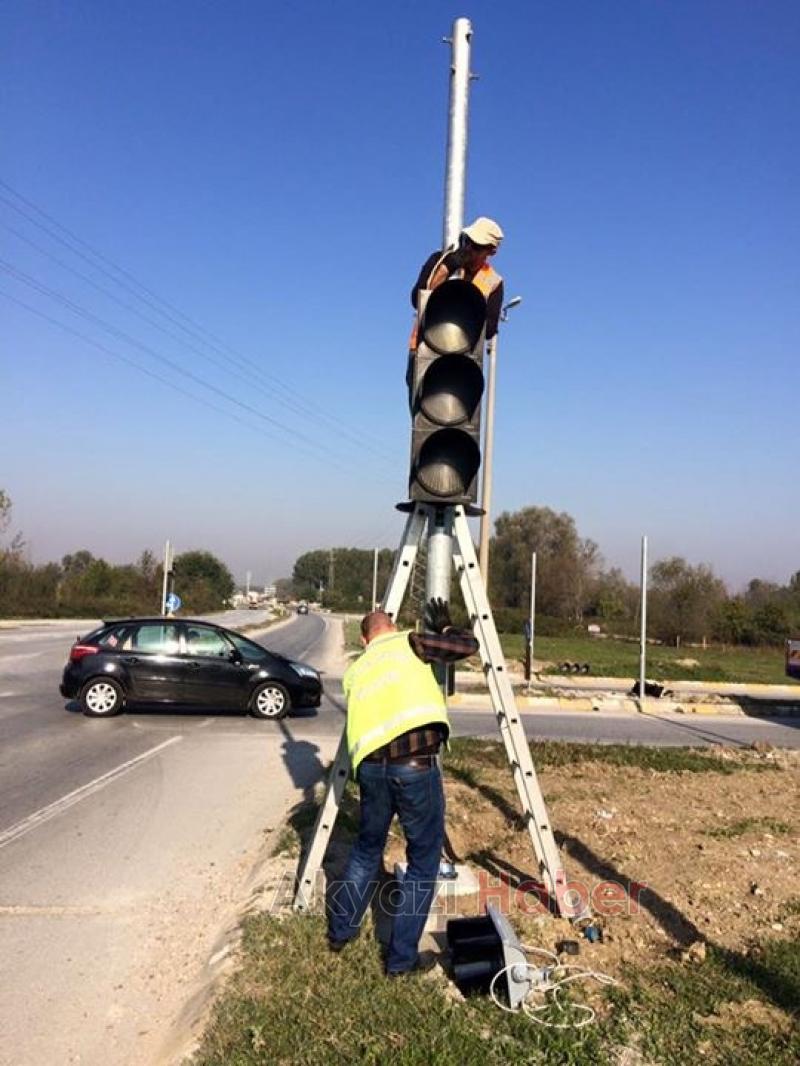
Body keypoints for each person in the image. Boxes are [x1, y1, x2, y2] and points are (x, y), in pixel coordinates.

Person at [327, 598, 478, 976]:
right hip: (414, 767)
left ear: (364, 640)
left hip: (371, 772)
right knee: (423, 863)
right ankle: (400, 960)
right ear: (391, 628)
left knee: (366, 851)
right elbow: (467, 646)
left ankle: (340, 933)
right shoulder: (410, 642)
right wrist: (445, 629)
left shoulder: (355, 671)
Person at [407, 217, 505, 399]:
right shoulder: (441, 260)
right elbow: (417, 298)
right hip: (424, 349)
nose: (469, 249)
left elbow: (490, 329)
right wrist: (447, 268)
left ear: (491, 251)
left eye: (477, 247)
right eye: (467, 241)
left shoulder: (494, 282)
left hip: (463, 360)